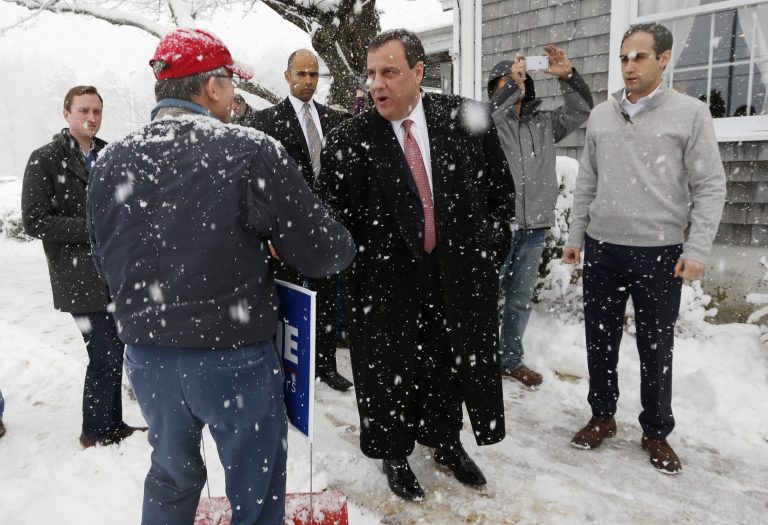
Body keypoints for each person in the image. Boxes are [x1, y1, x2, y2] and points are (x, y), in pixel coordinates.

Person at [87, 28, 354, 525]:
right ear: (211, 88)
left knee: (170, 478)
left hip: (148, 359)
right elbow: (323, 251)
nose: (235, 96)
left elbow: (107, 262)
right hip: (233, 358)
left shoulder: (109, 162)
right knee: (256, 492)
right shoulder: (248, 149)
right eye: (231, 84)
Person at [317, 29, 513, 500]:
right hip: (386, 285)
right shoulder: (349, 140)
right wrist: (356, 271)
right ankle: (394, 452)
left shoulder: (465, 120)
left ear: (419, 73)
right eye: (371, 74)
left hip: (455, 277)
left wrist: (485, 250)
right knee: (388, 371)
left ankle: (445, 441)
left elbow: (499, 196)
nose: (376, 84)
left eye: (389, 71)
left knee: (447, 365)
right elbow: (329, 220)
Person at [563, 23, 726, 474]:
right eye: (623, 57)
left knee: (656, 347)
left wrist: (697, 248)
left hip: (658, 253)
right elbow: (587, 183)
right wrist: (576, 236)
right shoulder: (602, 115)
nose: (629, 66)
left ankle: (656, 430)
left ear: (664, 59)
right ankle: (601, 415)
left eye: (639, 57)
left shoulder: (689, 114)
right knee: (600, 340)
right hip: (603, 249)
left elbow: (710, 186)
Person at [21, 85, 144, 449]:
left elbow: (126, 206)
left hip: (117, 273)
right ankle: (95, 432)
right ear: (66, 114)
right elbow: (35, 221)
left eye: (97, 112)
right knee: (104, 351)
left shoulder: (110, 154)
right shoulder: (44, 159)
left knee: (114, 349)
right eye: (84, 111)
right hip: (77, 275)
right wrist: (94, 228)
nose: (91, 118)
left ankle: (112, 423)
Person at [488, 45, 593, 388]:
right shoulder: (489, 124)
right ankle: (477, 359)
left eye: (520, 81)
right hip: (496, 229)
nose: (517, 86)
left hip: (534, 229)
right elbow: (485, 118)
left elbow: (581, 110)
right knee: (483, 300)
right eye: (505, 83)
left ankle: (510, 359)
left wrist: (568, 76)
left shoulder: (545, 124)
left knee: (519, 300)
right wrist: (509, 89)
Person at [254, 49, 352, 391]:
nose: (307, 81)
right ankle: (290, 371)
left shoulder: (334, 120)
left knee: (325, 300)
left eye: (313, 75)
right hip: (285, 235)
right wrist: (266, 232)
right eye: (301, 74)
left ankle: (324, 366)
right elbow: (258, 186)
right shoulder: (265, 123)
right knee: (289, 304)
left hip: (323, 230)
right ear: (287, 76)